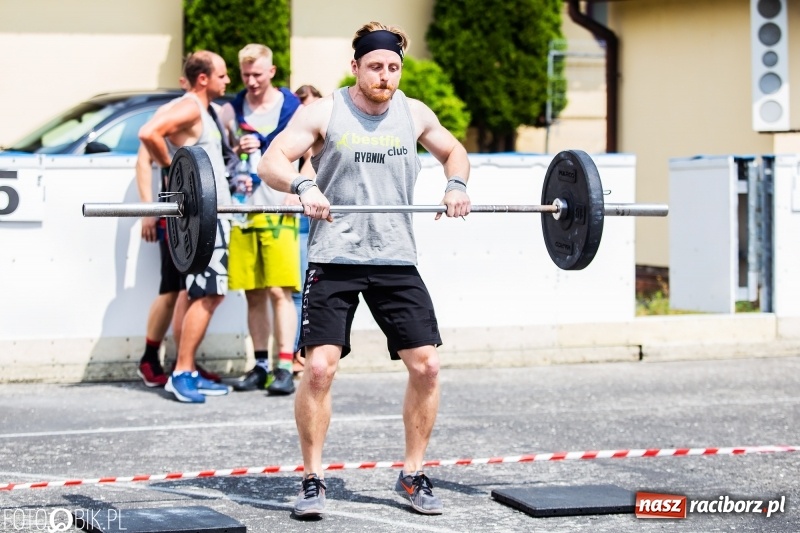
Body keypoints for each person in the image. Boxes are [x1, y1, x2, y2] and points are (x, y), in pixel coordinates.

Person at [261, 22, 471, 517]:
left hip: (396, 257)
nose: (385, 76)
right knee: (318, 369)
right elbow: (272, 162)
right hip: (335, 257)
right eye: (375, 67)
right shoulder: (325, 111)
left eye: (393, 68)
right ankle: (313, 480)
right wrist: (303, 187)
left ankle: (413, 474)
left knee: (428, 365)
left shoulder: (414, 113)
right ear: (355, 67)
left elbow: (453, 151)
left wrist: (456, 183)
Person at [138, 50, 233, 403]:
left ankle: (185, 367)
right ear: (204, 78)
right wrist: (176, 175)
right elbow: (149, 134)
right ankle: (182, 372)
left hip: (205, 216)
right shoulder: (192, 105)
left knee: (191, 293)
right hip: (206, 218)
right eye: (222, 76)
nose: (228, 81)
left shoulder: (200, 110)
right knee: (210, 293)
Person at [220, 44, 302, 396]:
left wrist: (299, 189)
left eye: (258, 74)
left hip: (279, 209)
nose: (251, 81)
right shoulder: (232, 108)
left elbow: (312, 151)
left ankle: (285, 365)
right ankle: (260, 365)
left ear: (272, 72)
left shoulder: (292, 108)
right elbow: (225, 152)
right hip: (243, 209)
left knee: (279, 291)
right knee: (253, 293)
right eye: (246, 75)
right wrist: (237, 148)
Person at [290, 84, 323, 379]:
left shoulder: (319, 143)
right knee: (286, 293)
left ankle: (300, 355)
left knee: (302, 291)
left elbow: (309, 175)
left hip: (309, 224)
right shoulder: (294, 136)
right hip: (290, 221)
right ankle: (289, 356)